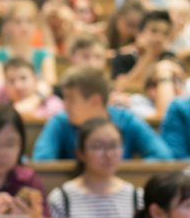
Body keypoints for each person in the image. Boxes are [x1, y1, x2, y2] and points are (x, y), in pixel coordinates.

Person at [33, 67, 172, 161]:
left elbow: (163, 156)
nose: (65, 106)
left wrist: (118, 172)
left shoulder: (126, 120)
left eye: (70, 100)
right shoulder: (60, 122)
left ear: (95, 101)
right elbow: (41, 162)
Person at [47, 118, 142, 218]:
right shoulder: (61, 199)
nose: (108, 154)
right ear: (80, 153)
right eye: (98, 146)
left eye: (114, 146)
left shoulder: (137, 197)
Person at [0, 0, 56, 85]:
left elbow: (49, 83)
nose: (24, 27)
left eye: (29, 21)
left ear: (36, 25)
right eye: (18, 22)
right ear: (8, 25)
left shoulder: (44, 54)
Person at [0, 57, 64, 120]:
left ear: (35, 80)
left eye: (23, 78)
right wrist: (38, 96)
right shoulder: (0, 91)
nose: (18, 86)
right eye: (11, 81)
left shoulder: (53, 103)